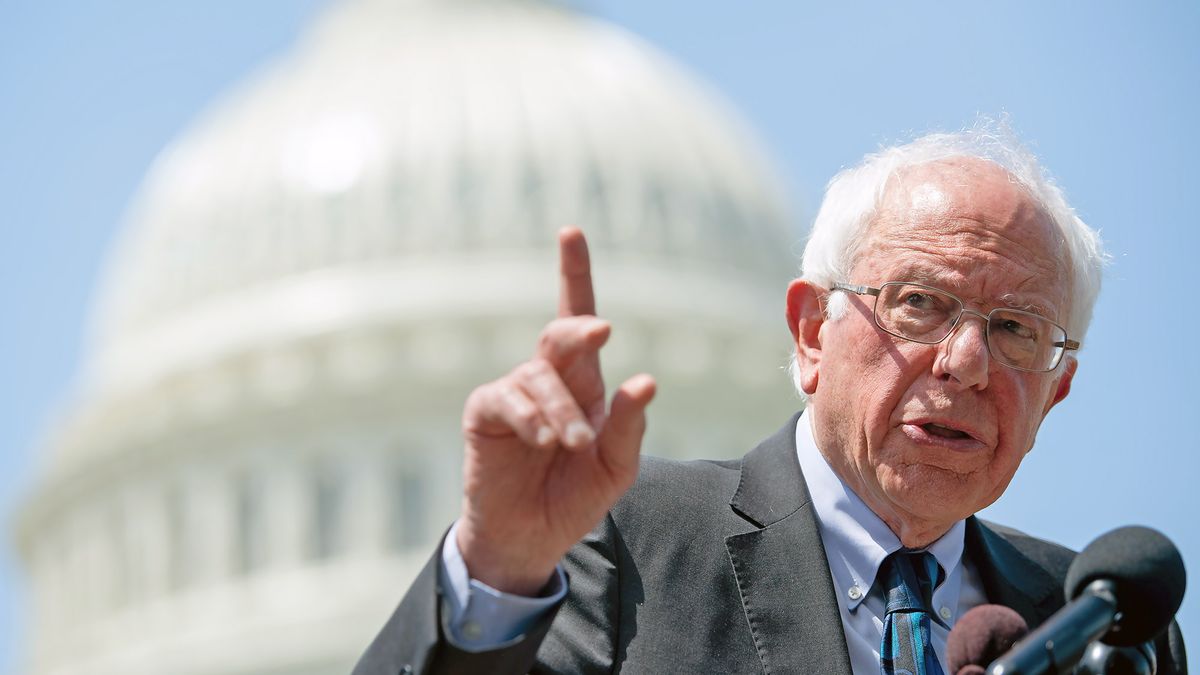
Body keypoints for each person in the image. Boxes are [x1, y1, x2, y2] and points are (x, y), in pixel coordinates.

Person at [354, 127, 1187, 674]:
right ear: (811, 332)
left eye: (1015, 328)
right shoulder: (629, 543)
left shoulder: (1098, 619)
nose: (966, 361)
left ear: (1058, 389)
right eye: (920, 304)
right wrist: (496, 573)